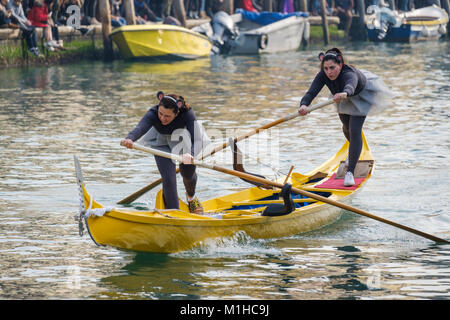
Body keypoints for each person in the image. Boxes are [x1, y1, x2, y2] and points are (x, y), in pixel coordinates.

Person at [298, 48, 392, 186]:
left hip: (359, 96)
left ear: (340, 65)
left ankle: (350, 172)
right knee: (347, 129)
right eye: (326, 68)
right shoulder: (322, 75)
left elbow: (350, 86)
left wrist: (345, 93)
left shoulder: (349, 73)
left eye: (332, 68)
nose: (329, 72)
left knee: (354, 130)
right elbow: (311, 92)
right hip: (341, 98)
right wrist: (303, 105)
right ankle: (353, 152)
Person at [120, 91, 209, 214]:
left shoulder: (187, 114)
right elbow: (140, 127)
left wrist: (191, 154)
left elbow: (198, 140)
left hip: (182, 141)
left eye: (167, 116)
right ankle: (173, 213)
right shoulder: (153, 112)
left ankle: (191, 199)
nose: (162, 118)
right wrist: (130, 138)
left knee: (187, 173)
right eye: (160, 114)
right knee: (168, 178)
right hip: (160, 142)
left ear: (176, 113)